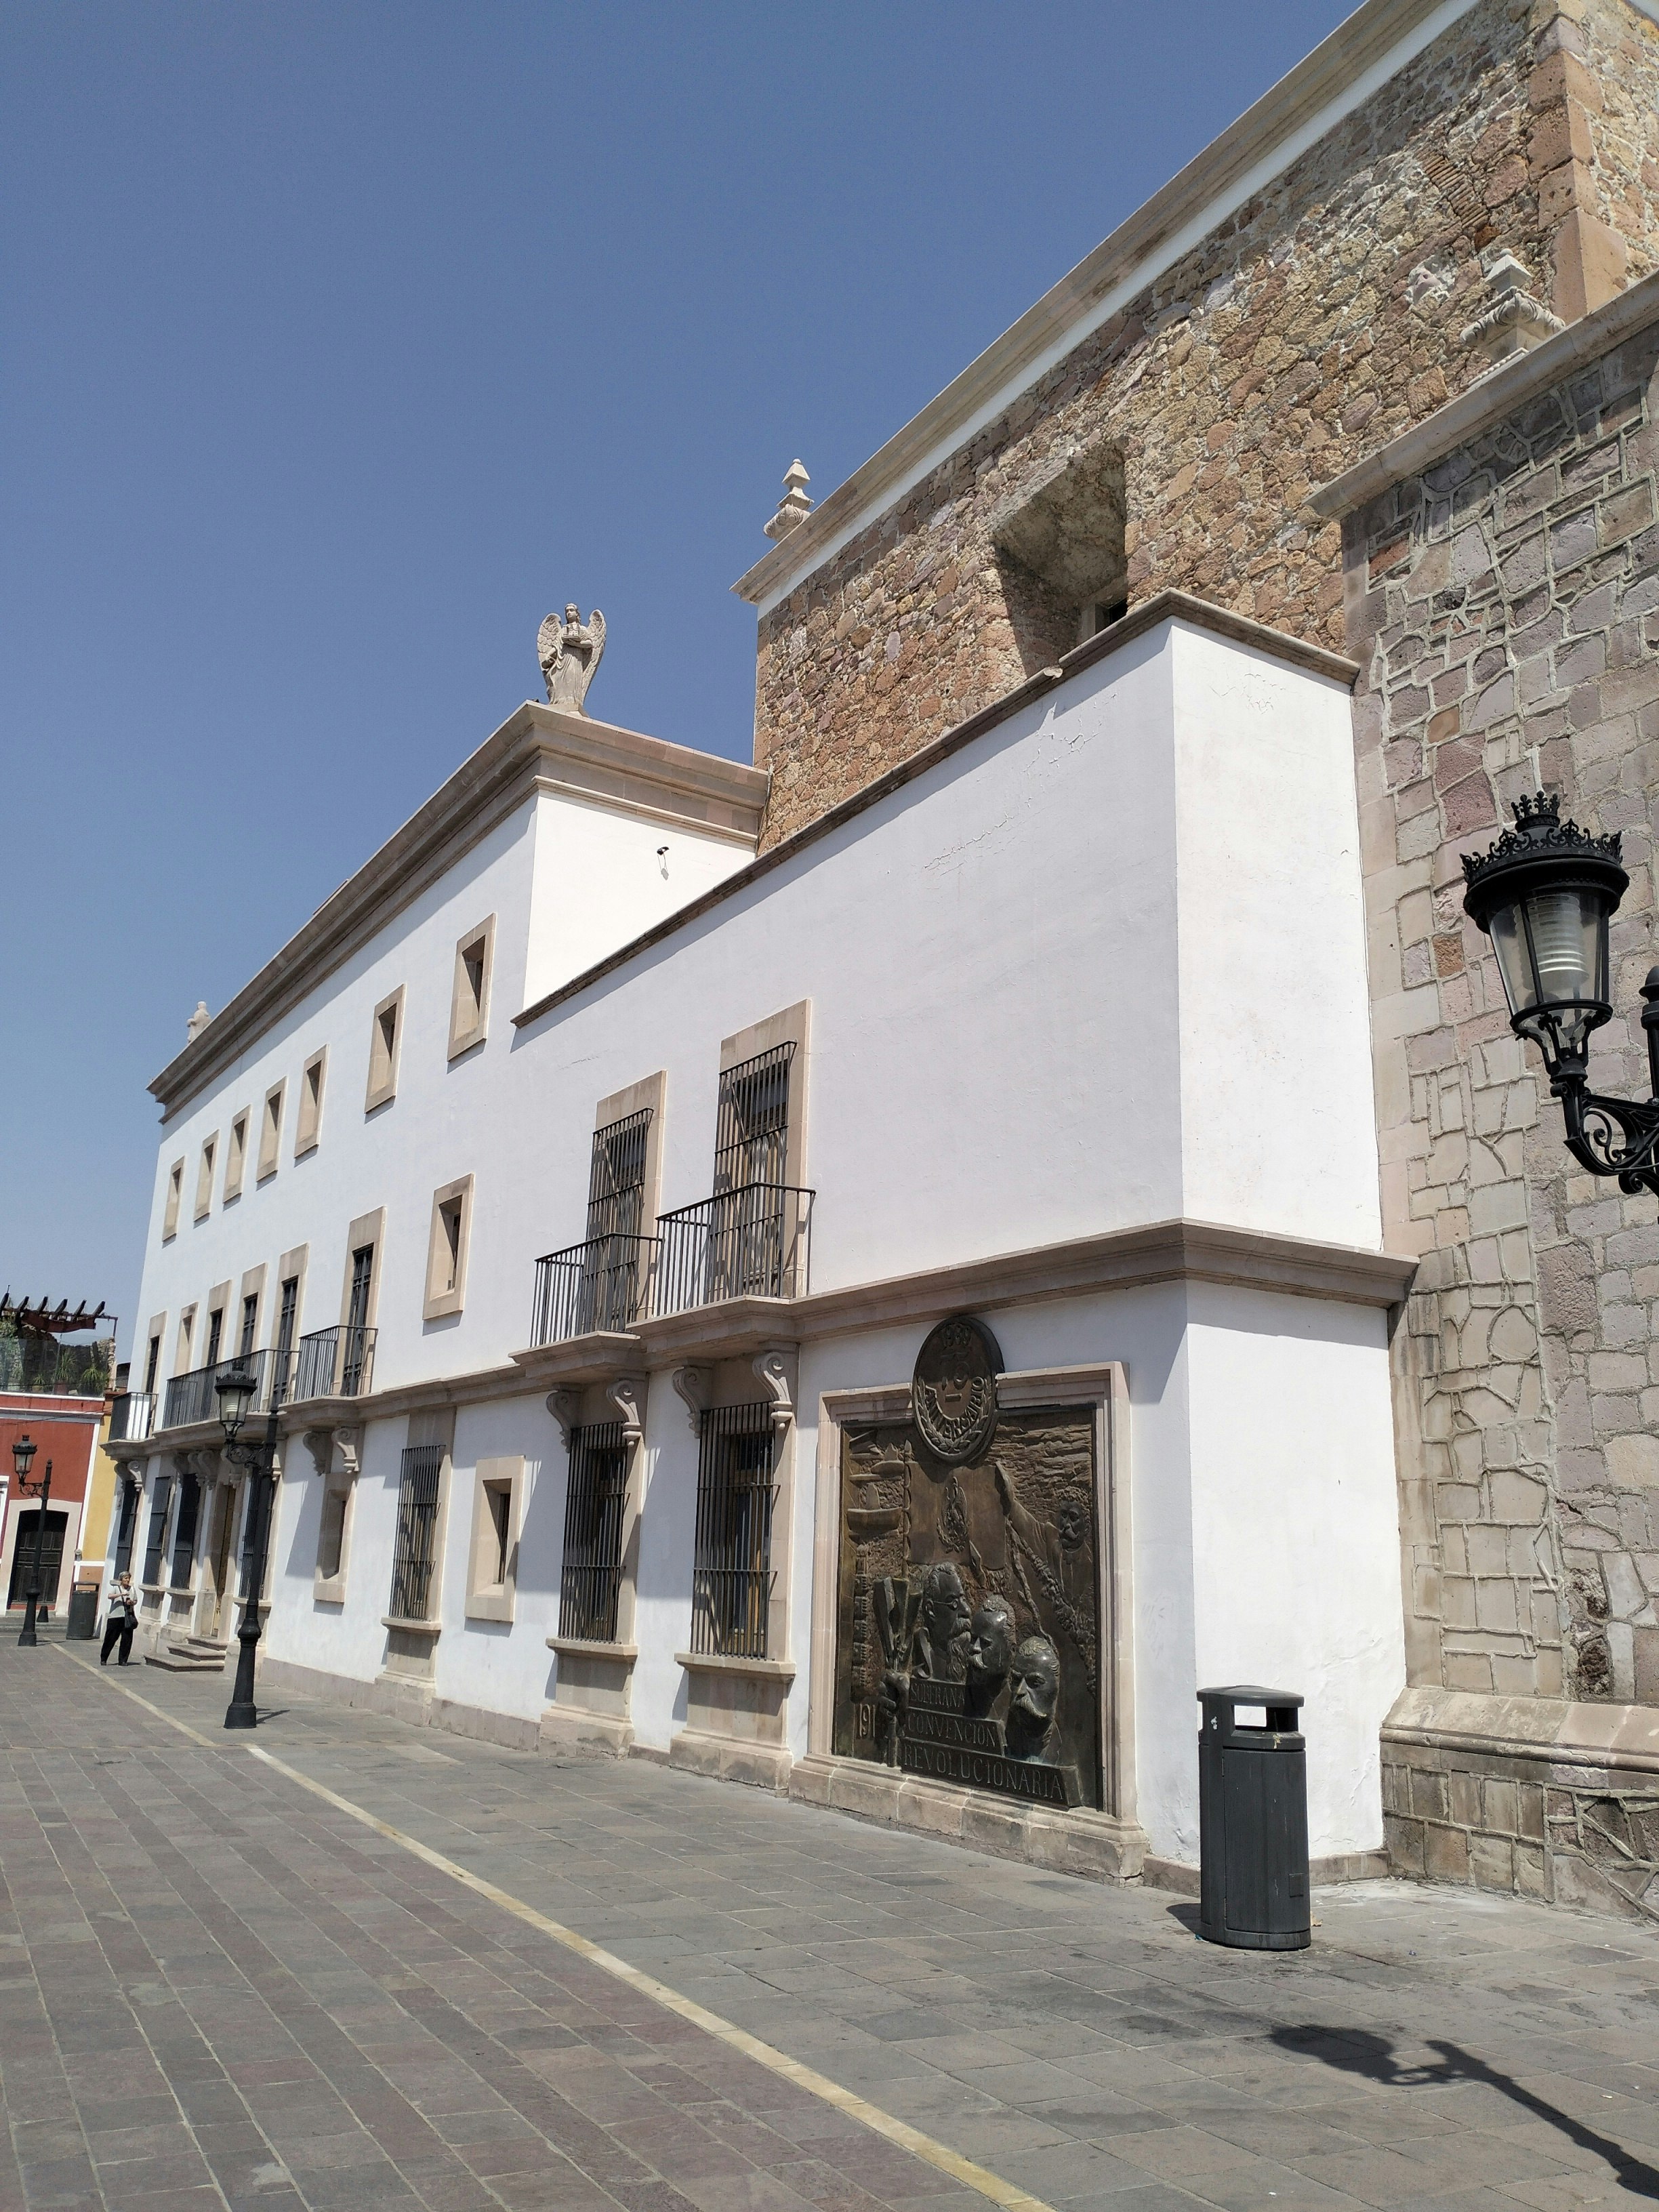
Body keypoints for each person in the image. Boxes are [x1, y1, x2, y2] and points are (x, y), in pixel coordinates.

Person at [100, 1571, 138, 1665]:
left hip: (127, 1617)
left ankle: (123, 1660)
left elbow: (135, 1600)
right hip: (115, 1617)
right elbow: (109, 1596)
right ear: (121, 1579)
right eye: (126, 1578)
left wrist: (131, 1602)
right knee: (110, 1638)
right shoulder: (117, 1588)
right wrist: (121, 1595)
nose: (128, 1580)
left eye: (129, 1578)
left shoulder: (132, 1589)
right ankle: (104, 1658)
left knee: (127, 1640)